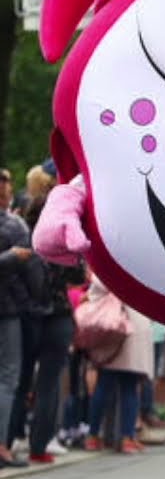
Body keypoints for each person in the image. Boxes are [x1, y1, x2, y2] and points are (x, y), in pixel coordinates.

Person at [14, 196, 84, 464]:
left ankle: (9, 440)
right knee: (49, 383)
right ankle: (39, 446)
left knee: (19, 380)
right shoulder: (60, 240)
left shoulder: (23, 239)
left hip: (28, 315)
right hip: (58, 314)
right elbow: (77, 276)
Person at [83, 274, 155, 454]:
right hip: (135, 326)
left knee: (104, 384)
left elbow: (97, 287)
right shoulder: (140, 269)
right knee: (129, 387)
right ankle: (127, 438)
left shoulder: (107, 266)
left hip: (111, 327)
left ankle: (93, 436)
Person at [0, 173, 31, 468]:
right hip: (8, 310)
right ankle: (1, 447)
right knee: (8, 378)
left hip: (11, 308)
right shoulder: (13, 225)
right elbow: (31, 269)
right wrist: (12, 257)